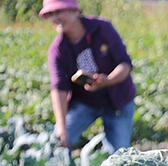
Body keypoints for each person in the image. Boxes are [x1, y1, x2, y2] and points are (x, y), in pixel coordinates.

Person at [41, 0, 136, 153]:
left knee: (120, 156)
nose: (55, 18)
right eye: (50, 14)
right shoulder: (57, 49)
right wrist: (61, 125)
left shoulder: (102, 28)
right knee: (57, 143)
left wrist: (108, 80)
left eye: (58, 12)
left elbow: (125, 64)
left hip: (118, 101)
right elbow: (59, 87)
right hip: (86, 103)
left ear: (74, 11)